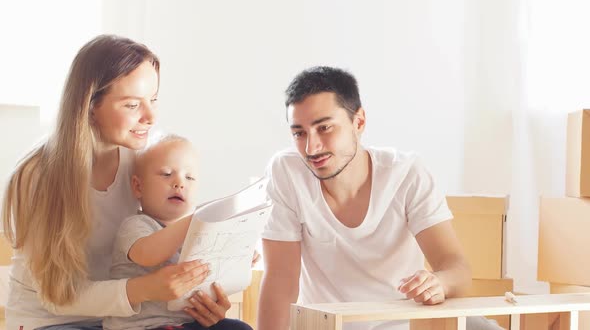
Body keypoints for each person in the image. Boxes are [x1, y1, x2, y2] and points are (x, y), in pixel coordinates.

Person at [1, 35, 229, 330]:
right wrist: (146, 289)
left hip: (124, 318)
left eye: (154, 100)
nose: (151, 116)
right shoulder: (38, 176)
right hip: (51, 321)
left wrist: (203, 295)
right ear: (90, 105)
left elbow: (172, 230)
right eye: (133, 105)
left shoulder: (141, 161)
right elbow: (57, 297)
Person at [257, 66, 502, 330]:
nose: (311, 147)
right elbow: (280, 282)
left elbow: (456, 269)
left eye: (324, 128)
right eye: (299, 133)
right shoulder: (286, 172)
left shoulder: (406, 173)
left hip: (403, 324)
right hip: (328, 326)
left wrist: (438, 283)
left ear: (359, 121)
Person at [103, 135, 252, 330]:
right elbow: (148, 254)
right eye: (166, 174)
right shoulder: (136, 225)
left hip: (186, 323)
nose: (179, 183)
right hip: (143, 327)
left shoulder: (195, 235)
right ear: (138, 186)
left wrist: (238, 254)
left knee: (238, 328)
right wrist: (197, 219)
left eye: (189, 178)